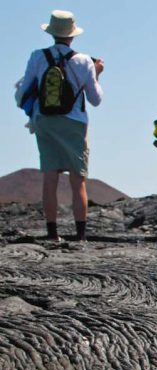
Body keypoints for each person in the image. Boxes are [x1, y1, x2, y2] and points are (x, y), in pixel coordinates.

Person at [15, 10, 104, 241]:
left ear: (52, 33)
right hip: (75, 122)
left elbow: (24, 90)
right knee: (78, 180)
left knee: (50, 176)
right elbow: (95, 100)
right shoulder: (84, 61)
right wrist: (97, 73)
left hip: (44, 119)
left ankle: (52, 233)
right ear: (72, 36)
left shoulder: (37, 56)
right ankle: (80, 235)